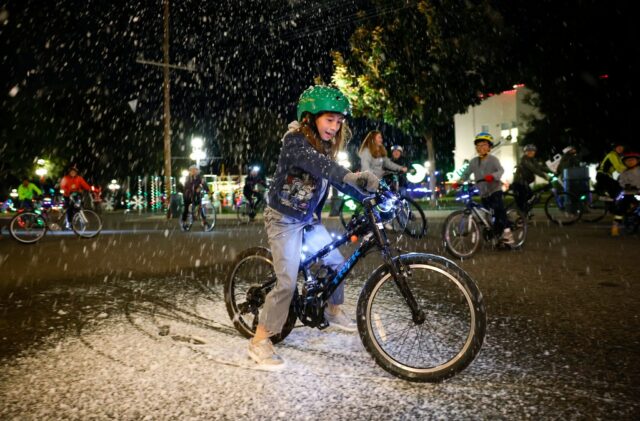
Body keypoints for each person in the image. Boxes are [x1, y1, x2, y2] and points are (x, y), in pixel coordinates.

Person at [248, 85, 379, 369]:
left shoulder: (325, 146)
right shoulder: (295, 141)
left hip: (307, 219)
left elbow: (334, 179)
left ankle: (333, 310)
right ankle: (259, 341)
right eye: (329, 119)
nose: (335, 126)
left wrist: (369, 197)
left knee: (336, 262)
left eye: (339, 121)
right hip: (283, 220)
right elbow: (322, 167)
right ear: (309, 117)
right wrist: (353, 176)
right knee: (287, 281)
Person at [456, 132, 514, 244]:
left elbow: (500, 170)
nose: (480, 148)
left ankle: (507, 233)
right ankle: (495, 234)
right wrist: (460, 181)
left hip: (494, 190)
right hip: (483, 192)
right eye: (478, 145)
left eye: (484, 145)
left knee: (499, 210)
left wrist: (492, 176)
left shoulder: (493, 159)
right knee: (486, 214)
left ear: (489, 147)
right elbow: (466, 173)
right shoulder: (473, 161)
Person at [511, 144, 551, 215]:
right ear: (525, 152)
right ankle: (521, 218)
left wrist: (551, 171)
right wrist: (544, 175)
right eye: (529, 151)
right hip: (519, 183)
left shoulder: (532, 160)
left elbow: (540, 167)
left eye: (533, 151)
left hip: (525, 183)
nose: (531, 152)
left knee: (533, 197)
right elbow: (533, 169)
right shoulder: (524, 160)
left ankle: (525, 213)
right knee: (524, 201)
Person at [611, 152, 640, 236]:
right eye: (628, 161)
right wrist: (626, 186)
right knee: (621, 208)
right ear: (625, 162)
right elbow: (621, 182)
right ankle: (615, 226)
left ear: (637, 161)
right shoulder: (624, 172)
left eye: (633, 160)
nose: (630, 162)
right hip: (629, 193)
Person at [181, 164, 211, 230]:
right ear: (190, 171)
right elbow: (188, 186)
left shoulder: (199, 177)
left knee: (200, 207)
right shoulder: (188, 178)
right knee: (186, 207)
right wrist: (196, 188)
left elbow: (204, 184)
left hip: (196, 196)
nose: (194, 171)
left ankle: (204, 222)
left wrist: (208, 191)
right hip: (188, 195)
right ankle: (184, 221)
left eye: (196, 170)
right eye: (193, 170)